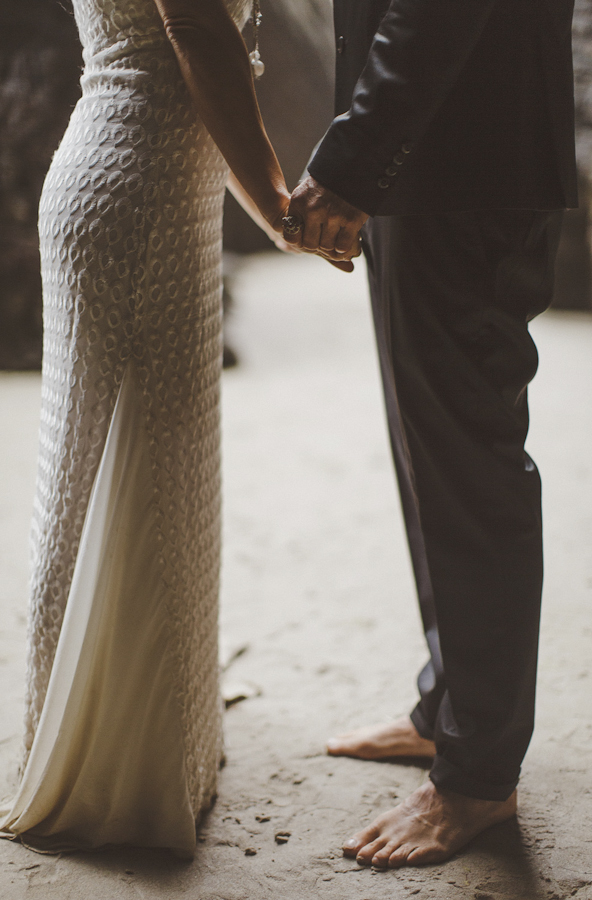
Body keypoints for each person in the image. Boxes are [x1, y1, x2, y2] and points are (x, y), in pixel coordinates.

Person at [0, 0, 356, 858]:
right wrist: (278, 205)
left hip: (139, 176)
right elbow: (198, 37)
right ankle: (115, 770)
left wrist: (260, 201)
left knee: (139, 473)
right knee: (133, 478)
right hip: (141, 187)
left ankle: (149, 733)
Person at [284, 0, 577, 869]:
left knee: (467, 464)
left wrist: (356, 156)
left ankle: (479, 775)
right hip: (438, 158)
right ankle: (449, 710)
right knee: (428, 450)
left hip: (465, 159)